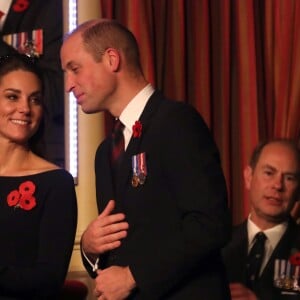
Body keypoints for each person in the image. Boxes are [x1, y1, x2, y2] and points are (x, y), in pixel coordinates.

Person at [61, 19, 231, 300]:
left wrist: (133, 276)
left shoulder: (176, 122)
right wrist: (91, 249)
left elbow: (210, 224)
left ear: (112, 59)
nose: (68, 85)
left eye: (74, 69)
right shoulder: (105, 151)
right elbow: (123, 249)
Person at [0, 54, 77, 299]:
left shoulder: (55, 183)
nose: (25, 108)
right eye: (12, 96)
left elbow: (50, 278)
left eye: (35, 99)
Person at [222, 139, 300, 300]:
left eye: (289, 178)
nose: (278, 185)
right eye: (269, 173)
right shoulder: (218, 245)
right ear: (248, 177)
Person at [0, 0, 65, 166]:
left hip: (37, 155)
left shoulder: (49, 8)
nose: (25, 108)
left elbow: (57, 94)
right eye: (12, 97)